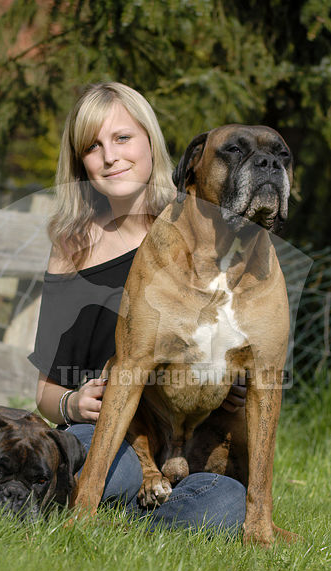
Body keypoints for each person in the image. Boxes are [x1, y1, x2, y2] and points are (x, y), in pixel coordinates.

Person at [29, 81, 247, 535]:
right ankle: (136, 506)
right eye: (93, 146)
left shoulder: (199, 230)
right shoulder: (72, 247)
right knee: (115, 471)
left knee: (228, 501)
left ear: (150, 140)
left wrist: (231, 380)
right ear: (80, 163)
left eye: (123, 138)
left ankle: (133, 517)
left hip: (184, 438)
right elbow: (45, 391)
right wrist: (72, 403)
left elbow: (236, 333)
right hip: (107, 433)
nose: (110, 156)